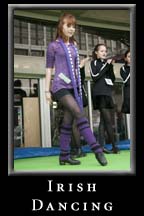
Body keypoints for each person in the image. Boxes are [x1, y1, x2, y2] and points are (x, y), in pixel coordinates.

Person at [45, 13, 107, 166]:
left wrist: (81, 66)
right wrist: (47, 90)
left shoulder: (74, 46)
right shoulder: (53, 46)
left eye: (73, 26)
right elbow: (48, 68)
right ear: (61, 26)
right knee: (79, 113)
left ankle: (64, 156)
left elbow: (73, 67)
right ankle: (97, 150)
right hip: (60, 86)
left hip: (73, 86)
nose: (71, 29)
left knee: (68, 121)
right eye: (68, 25)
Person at [89, 44, 119, 154]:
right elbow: (95, 76)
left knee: (103, 122)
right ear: (96, 52)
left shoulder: (105, 64)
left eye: (105, 51)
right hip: (99, 94)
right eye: (102, 51)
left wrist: (110, 66)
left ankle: (101, 146)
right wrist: (106, 65)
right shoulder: (94, 63)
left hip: (107, 94)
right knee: (108, 121)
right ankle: (115, 147)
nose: (104, 53)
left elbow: (112, 79)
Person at [120, 50, 130, 139]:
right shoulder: (123, 68)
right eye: (129, 56)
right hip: (129, 94)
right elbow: (125, 80)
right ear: (126, 58)